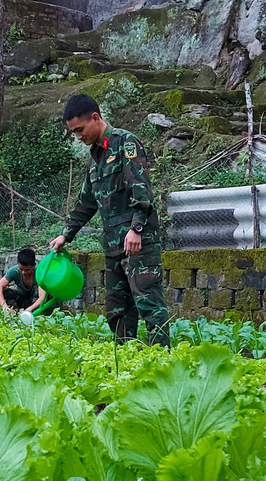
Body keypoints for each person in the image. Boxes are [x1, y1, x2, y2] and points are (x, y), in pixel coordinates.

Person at [49, 94, 168, 345]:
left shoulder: (125, 143)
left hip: (138, 242)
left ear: (95, 118)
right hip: (113, 246)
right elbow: (86, 201)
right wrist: (65, 235)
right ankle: (124, 359)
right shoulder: (95, 158)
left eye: (80, 129)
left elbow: (141, 189)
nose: (78, 136)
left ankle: (163, 359)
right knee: (117, 310)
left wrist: (136, 228)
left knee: (149, 303)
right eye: (73, 132)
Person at [0, 247, 48, 315]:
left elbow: (43, 298)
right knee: (5, 293)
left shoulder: (39, 273)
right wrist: (4, 306)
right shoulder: (14, 271)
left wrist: (29, 309)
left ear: (34, 266)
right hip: (21, 299)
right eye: (21, 269)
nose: (23, 272)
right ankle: (14, 311)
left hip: (35, 302)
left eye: (27, 270)